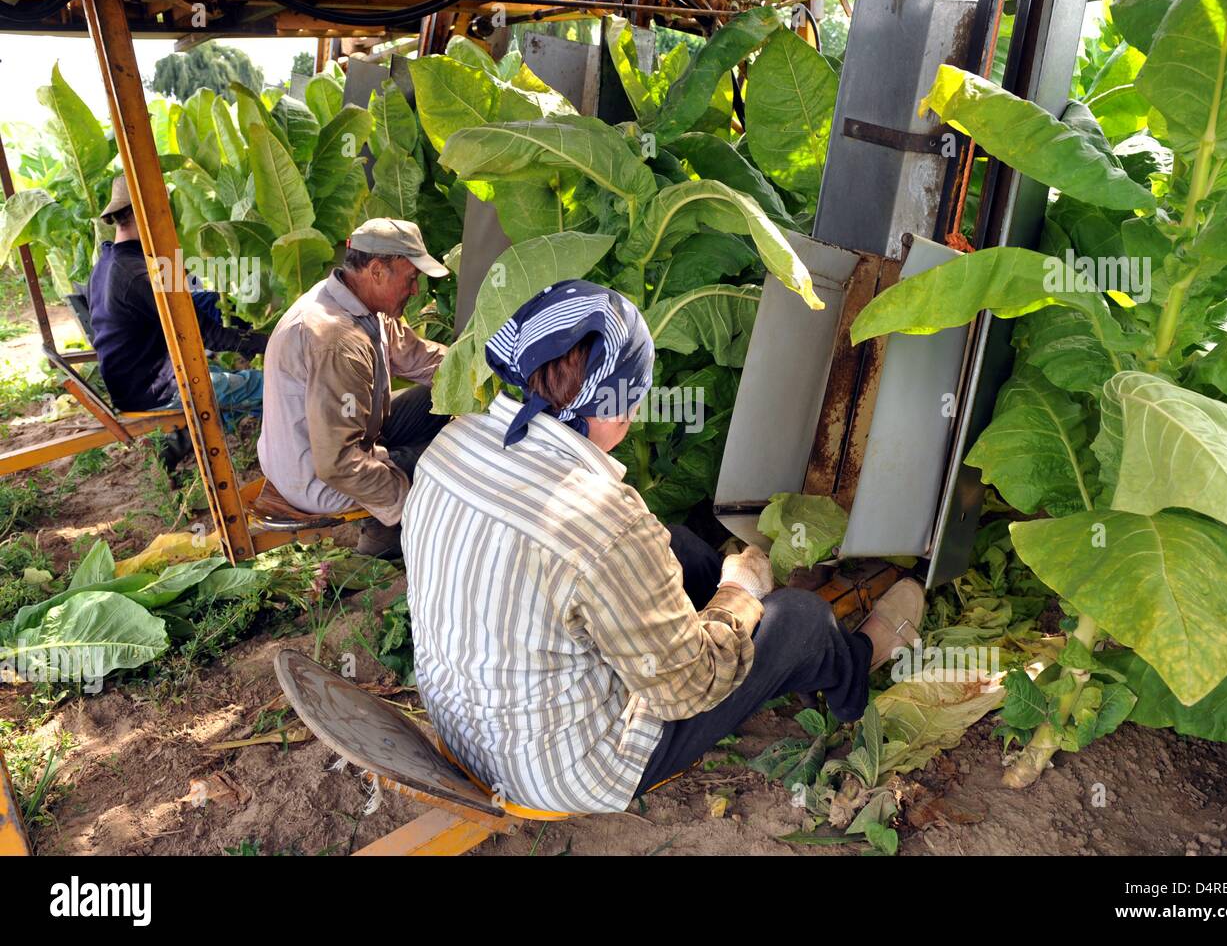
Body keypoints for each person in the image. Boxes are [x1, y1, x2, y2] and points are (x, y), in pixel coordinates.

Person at [402, 279, 926, 815]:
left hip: (461, 723)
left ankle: (766, 650)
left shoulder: (454, 441)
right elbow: (687, 689)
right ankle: (856, 670)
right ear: (615, 405)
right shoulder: (605, 520)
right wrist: (739, 596)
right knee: (798, 617)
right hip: (555, 770)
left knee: (675, 544)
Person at [258, 217, 450, 558]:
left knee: (435, 399)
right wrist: (404, 504)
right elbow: (336, 463)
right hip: (316, 476)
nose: (416, 290)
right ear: (377, 271)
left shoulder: (358, 301)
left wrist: (485, 373)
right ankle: (387, 539)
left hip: (334, 441)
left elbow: (419, 358)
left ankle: (389, 521)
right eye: (412, 278)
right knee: (444, 463)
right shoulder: (336, 340)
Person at [88, 175, 266, 417]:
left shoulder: (109, 260)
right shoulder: (141, 273)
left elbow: (186, 299)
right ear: (146, 213)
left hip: (131, 384)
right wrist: (269, 341)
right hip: (157, 392)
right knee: (269, 386)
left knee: (207, 302)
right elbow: (206, 336)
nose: (171, 218)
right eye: (164, 210)